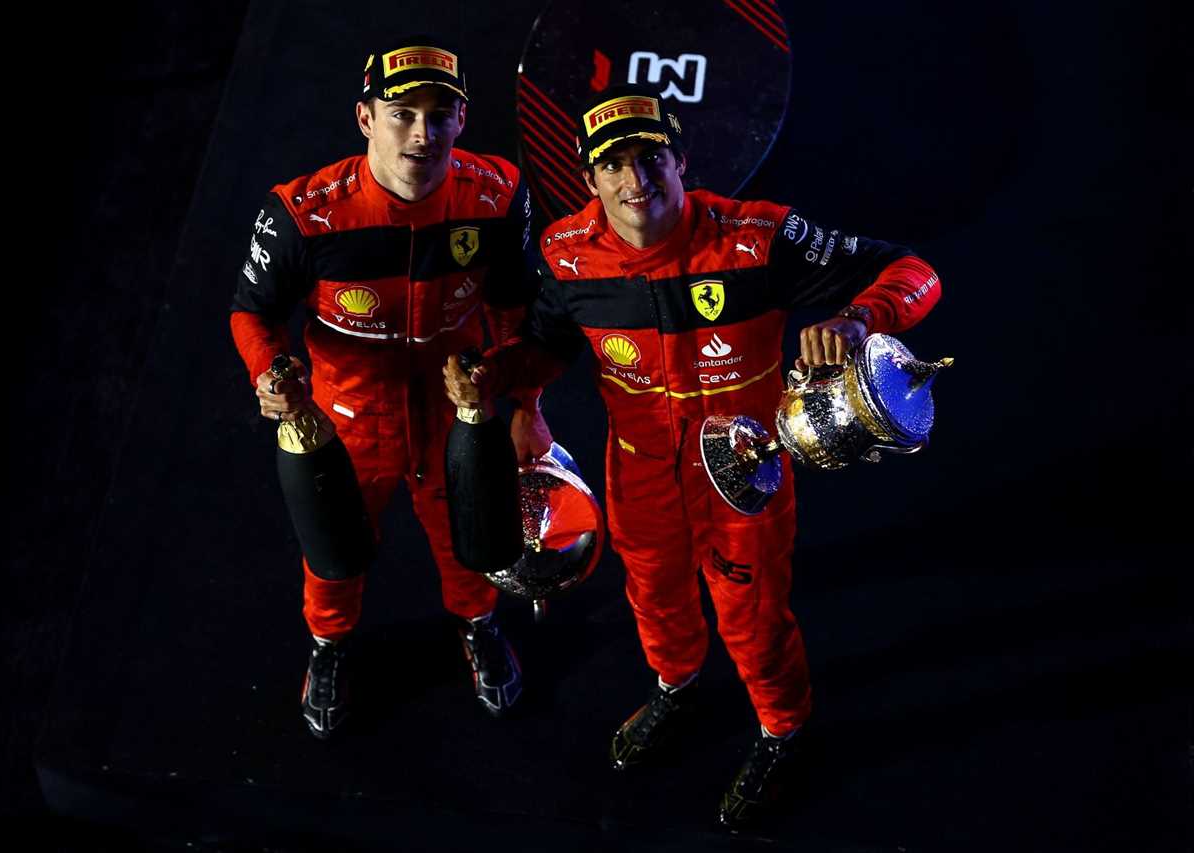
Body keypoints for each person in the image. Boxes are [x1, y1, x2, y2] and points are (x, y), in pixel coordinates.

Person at [443, 84, 942, 828]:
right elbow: (546, 348)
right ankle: (676, 686)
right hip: (638, 470)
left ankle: (782, 729)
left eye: (652, 159)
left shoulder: (759, 236)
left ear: (682, 160)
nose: (634, 181)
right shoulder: (566, 255)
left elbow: (915, 272)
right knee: (653, 596)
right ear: (588, 179)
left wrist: (855, 317)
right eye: (613, 165)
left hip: (747, 473)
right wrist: (498, 379)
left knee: (752, 615)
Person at [230, 35, 546, 739]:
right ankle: (330, 646)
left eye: (441, 114)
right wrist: (268, 376)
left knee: (474, 543)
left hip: (456, 410)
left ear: (463, 120)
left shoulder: (499, 196)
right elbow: (252, 310)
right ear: (365, 118)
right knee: (333, 553)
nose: (421, 133)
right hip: (346, 421)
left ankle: (479, 627)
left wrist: (526, 404)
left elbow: (514, 308)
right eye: (402, 113)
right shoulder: (303, 211)